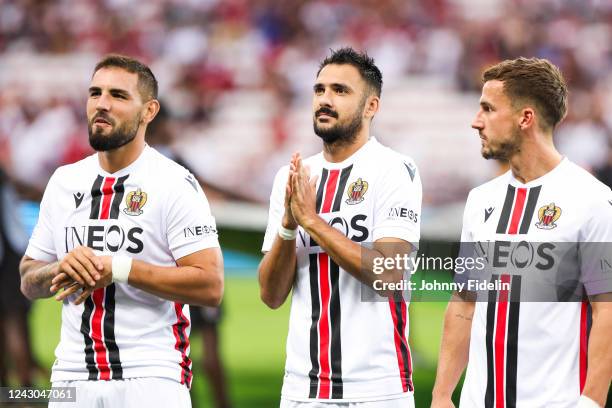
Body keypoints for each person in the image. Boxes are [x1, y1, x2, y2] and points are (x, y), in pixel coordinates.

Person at [19, 54, 224, 408]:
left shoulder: (174, 182)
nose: (102, 104)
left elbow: (210, 285)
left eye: (118, 95)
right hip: (71, 378)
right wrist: (59, 268)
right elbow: (28, 279)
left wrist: (118, 268)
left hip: (151, 378)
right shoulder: (64, 182)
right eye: (95, 93)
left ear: (149, 111)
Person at [431, 57, 612, 408]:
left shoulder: (592, 200)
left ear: (525, 118)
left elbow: (607, 310)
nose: (476, 121)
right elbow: (464, 302)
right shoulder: (481, 200)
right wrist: (441, 394)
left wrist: (591, 402)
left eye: (487, 108)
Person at [258, 47, 422, 407]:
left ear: (371, 107)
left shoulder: (393, 169)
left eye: (340, 91)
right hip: (302, 390)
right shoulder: (293, 177)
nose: (325, 100)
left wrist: (312, 222)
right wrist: (288, 225)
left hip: (377, 390)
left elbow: (389, 272)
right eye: (319, 90)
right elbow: (271, 295)